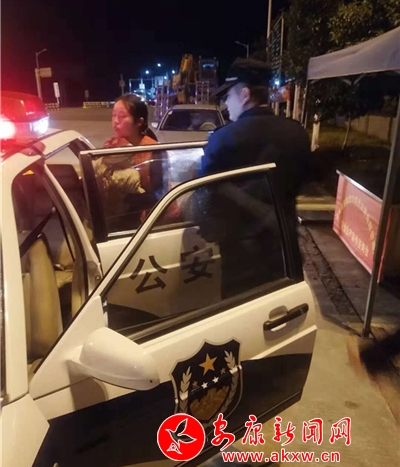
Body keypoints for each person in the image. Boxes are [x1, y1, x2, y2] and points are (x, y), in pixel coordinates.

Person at [197, 58, 311, 298]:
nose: (226, 104)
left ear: (245, 95)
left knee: (243, 315)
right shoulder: (297, 133)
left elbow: (205, 193)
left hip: (241, 259)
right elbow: (301, 182)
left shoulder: (223, 138)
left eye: (229, 96)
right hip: (285, 249)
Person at [95, 94, 178, 231]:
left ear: (139, 122)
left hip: (156, 222)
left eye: (122, 116)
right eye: (114, 115)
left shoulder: (154, 150)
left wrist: (128, 200)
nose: (115, 121)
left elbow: (160, 193)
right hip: (125, 219)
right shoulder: (112, 146)